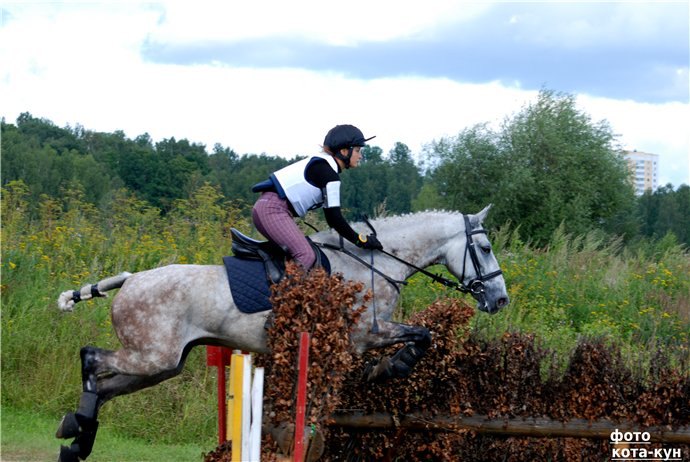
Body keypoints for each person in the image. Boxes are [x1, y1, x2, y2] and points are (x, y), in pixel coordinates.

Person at [251, 124, 383, 270]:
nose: (360, 156)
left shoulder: (324, 165)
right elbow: (334, 219)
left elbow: (332, 218)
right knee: (306, 255)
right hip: (272, 210)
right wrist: (360, 241)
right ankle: (284, 292)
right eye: (358, 150)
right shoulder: (329, 175)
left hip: (267, 208)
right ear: (344, 151)